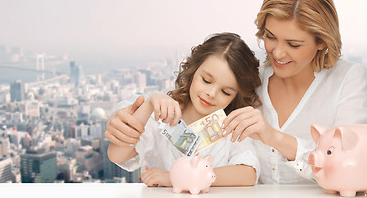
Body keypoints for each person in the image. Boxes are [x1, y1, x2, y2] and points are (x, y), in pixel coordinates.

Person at [221, 0, 367, 184]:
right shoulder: (251, 76)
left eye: (293, 44)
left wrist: (274, 137)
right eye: (270, 37)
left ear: (321, 41)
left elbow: (352, 167)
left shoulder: (347, 80)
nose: (278, 53)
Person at [105, 33, 262, 187]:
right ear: (193, 71)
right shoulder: (161, 114)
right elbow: (117, 155)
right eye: (206, 80)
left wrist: (178, 178)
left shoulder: (232, 126)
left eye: (225, 92)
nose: (211, 94)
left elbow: (248, 174)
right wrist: (149, 104)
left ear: (236, 96)